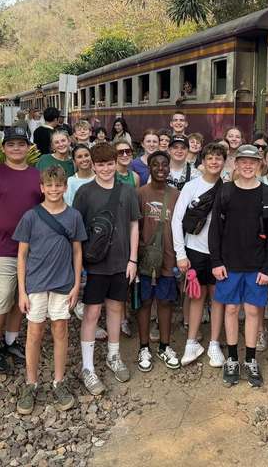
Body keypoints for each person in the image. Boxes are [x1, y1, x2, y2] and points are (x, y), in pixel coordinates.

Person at [14, 166, 87, 414]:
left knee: (60, 330)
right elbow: (22, 255)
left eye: (59, 185)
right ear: (42, 188)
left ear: (65, 187)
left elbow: (78, 251)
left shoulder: (74, 216)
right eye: (50, 185)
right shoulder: (31, 216)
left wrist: (77, 284)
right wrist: (22, 291)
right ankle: (31, 383)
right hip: (35, 283)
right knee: (34, 332)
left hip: (64, 283)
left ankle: (59, 381)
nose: (54, 190)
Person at [209, 144, 268, 387]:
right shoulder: (225, 192)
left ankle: (250, 358)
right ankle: (232, 358)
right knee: (230, 310)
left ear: (260, 165)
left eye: (253, 162)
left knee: (252, 312)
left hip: (257, 265)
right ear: (236, 165)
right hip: (229, 265)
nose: (248, 166)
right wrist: (216, 261)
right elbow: (215, 230)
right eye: (243, 162)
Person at [0, 126, 42, 373]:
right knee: (1, 298)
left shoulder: (37, 176)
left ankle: (11, 341)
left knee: (20, 300)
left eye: (21, 144)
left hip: (31, 250)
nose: (16, 148)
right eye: (11, 144)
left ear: (28, 147)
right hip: (0, 248)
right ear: (3, 148)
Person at [74, 143, 140, 395]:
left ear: (116, 163)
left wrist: (133, 259)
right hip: (95, 264)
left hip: (121, 262)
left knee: (115, 308)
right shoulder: (84, 192)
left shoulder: (127, 191)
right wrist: (78, 267)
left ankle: (114, 355)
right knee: (91, 313)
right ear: (92, 165)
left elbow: (134, 225)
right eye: (100, 164)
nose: (105, 169)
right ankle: (88, 366)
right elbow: (78, 231)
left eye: (109, 163)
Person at [173, 143, 227, 368]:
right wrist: (180, 253)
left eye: (218, 158)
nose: (214, 162)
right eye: (210, 158)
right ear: (202, 162)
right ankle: (191, 342)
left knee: (217, 298)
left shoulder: (228, 189)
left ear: (224, 162)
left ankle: (214, 343)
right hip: (194, 249)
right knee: (196, 296)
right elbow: (177, 220)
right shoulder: (191, 187)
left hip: (220, 252)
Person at [135, 151, 182, 372]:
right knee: (144, 303)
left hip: (169, 258)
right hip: (146, 259)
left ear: (169, 168)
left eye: (165, 164)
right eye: (156, 165)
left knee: (165, 302)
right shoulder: (140, 193)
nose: (161, 168)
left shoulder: (177, 195)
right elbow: (134, 228)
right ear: (149, 168)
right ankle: (144, 347)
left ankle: (164, 346)